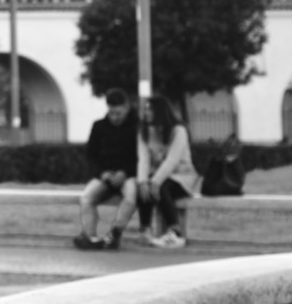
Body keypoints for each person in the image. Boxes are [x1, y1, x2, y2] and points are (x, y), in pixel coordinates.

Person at [74, 88, 138, 250]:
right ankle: (90, 237)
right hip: (104, 175)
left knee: (131, 194)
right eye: (111, 113)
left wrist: (125, 173)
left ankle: (114, 234)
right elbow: (91, 156)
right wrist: (101, 173)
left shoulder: (136, 127)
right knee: (86, 197)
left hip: (129, 175)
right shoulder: (99, 126)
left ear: (126, 107)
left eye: (118, 113)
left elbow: (141, 158)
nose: (115, 117)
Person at [136, 95, 199, 249]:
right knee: (143, 188)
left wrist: (155, 182)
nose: (146, 113)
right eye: (145, 109)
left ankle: (175, 233)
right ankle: (145, 230)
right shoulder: (144, 132)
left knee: (162, 187)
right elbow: (143, 159)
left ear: (160, 111)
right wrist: (143, 182)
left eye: (150, 109)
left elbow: (172, 160)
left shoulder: (178, 131)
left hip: (182, 177)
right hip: (159, 176)